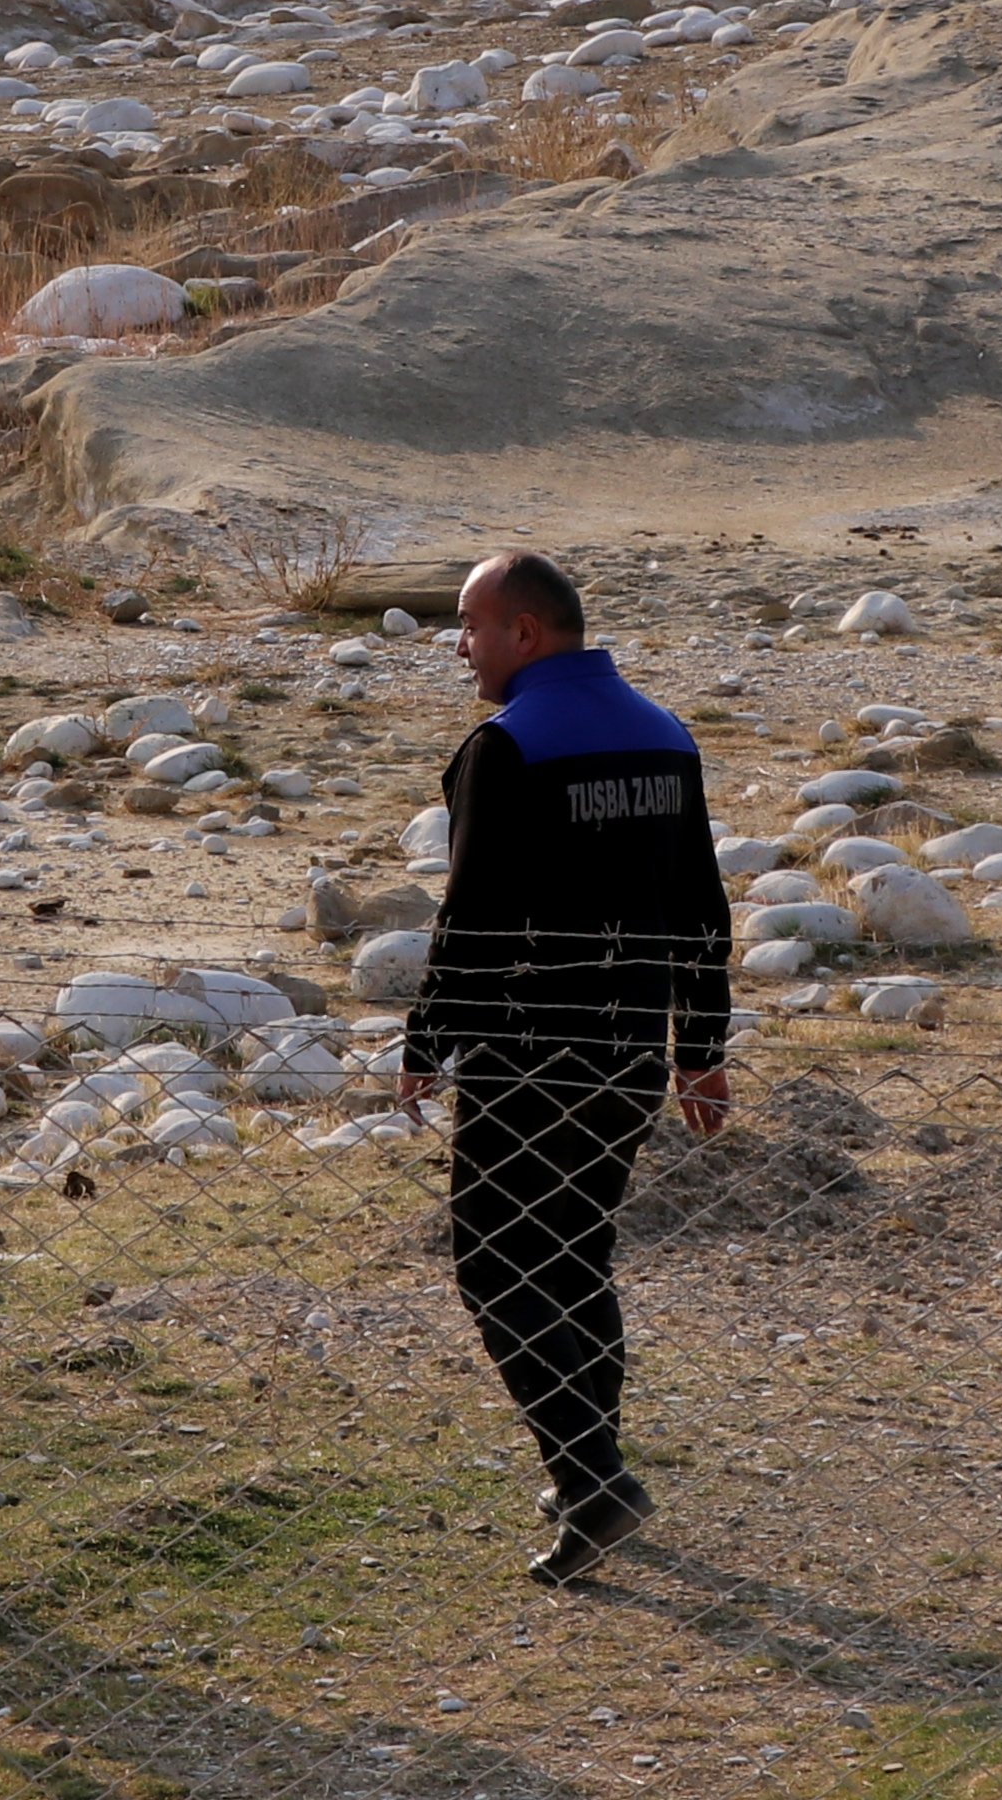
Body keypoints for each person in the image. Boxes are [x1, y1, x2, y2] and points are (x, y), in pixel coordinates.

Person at [398, 548, 733, 1585]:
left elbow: (473, 920)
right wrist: (702, 1052)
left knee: (494, 1262)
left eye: (471, 625)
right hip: (627, 1055)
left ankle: (593, 1479)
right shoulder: (666, 734)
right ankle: (588, 1460)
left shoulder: (507, 746)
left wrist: (425, 1041)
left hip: (525, 1054)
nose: (460, 645)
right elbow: (702, 911)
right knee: (576, 1255)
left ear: (526, 633)